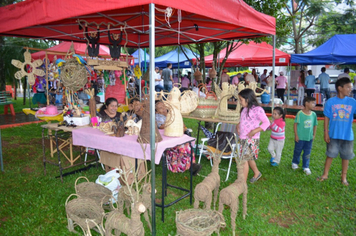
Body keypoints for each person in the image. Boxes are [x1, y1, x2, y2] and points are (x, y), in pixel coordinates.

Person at [318, 77, 356, 186]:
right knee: (330, 154)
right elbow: (326, 117)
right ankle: (325, 174)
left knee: (346, 156)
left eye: (351, 88)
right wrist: (326, 132)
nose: (350, 89)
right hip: (333, 134)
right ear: (340, 88)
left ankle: (343, 177)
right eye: (348, 87)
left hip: (348, 135)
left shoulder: (352, 102)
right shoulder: (331, 102)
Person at [155, 100, 202, 175]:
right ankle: (185, 166)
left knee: (187, 145)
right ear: (156, 111)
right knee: (182, 147)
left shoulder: (172, 114)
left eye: (164, 106)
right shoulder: (157, 117)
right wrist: (170, 119)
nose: (163, 108)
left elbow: (182, 125)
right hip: (166, 138)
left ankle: (192, 164)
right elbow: (161, 127)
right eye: (160, 108)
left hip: (175, 136)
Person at [237, 88, 270, 183]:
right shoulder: (244, 109)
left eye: (241, 100)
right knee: (248, 158)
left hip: (251, 139)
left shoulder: (257, 110)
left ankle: (241, 183)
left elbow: (266, 122)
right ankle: (256, 172)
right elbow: (243, 120)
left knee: (244, 160)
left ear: (247, 99)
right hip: (243, 138)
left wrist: (254, 131)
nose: (240, 102)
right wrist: (238, 125)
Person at [292, 96, 317, 175]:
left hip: (309, 138)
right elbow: (295, 124)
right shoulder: (300, 113)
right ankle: (295, 163)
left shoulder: (313, 114)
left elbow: (315, 125)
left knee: (307, 152)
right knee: (297, 150)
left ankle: (306, 166)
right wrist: (296, 135)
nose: (314, 104)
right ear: (306, 103)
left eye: (314, 103)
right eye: (312, 103)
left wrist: (314, 135)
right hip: (300, 137)